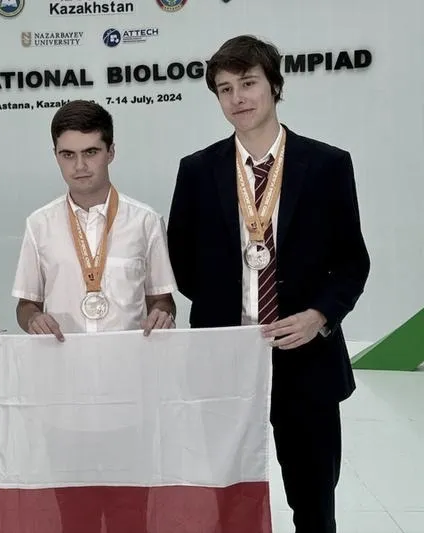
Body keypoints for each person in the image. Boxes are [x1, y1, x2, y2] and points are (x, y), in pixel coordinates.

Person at [167, 35, 370, 533]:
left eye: (248, 83)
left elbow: (352, 261)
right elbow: (182, 262)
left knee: (314, 504)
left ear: (274, 85)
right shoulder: (197, 171)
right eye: (225, 89)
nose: (237, 98)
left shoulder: (327, 165)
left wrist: (319, 316)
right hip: (227, 361)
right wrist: (229, 319)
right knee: (229, 503)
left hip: (305, 356)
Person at [12, 99, 177, 533]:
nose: (80, 166)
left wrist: (162, 315)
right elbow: (26, 304)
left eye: (91, 152)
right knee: (75, 517)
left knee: (131, 516)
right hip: (64, 399)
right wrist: (33, 319)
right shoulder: (38, 224)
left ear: (111, 152)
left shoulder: (145, 221)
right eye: (68, 154)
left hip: (130, 397)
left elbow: (163, 299)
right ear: (56, 156)